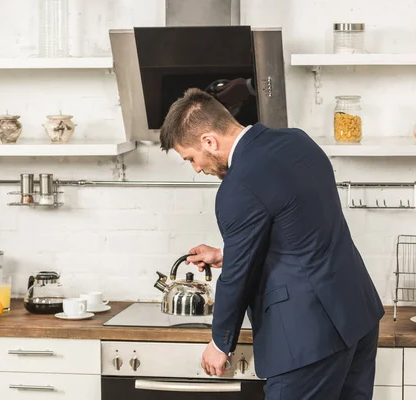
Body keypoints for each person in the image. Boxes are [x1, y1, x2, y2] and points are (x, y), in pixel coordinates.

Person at [159, 88, 385, 399]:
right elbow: (300, 228)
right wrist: (226, 253)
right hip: (357, 314)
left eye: (191, 158)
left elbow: (237, 277)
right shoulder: (297, 140)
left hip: (306, 339)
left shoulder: (237, 187)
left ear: (209, 141)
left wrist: (220, 342)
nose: (197, 168)